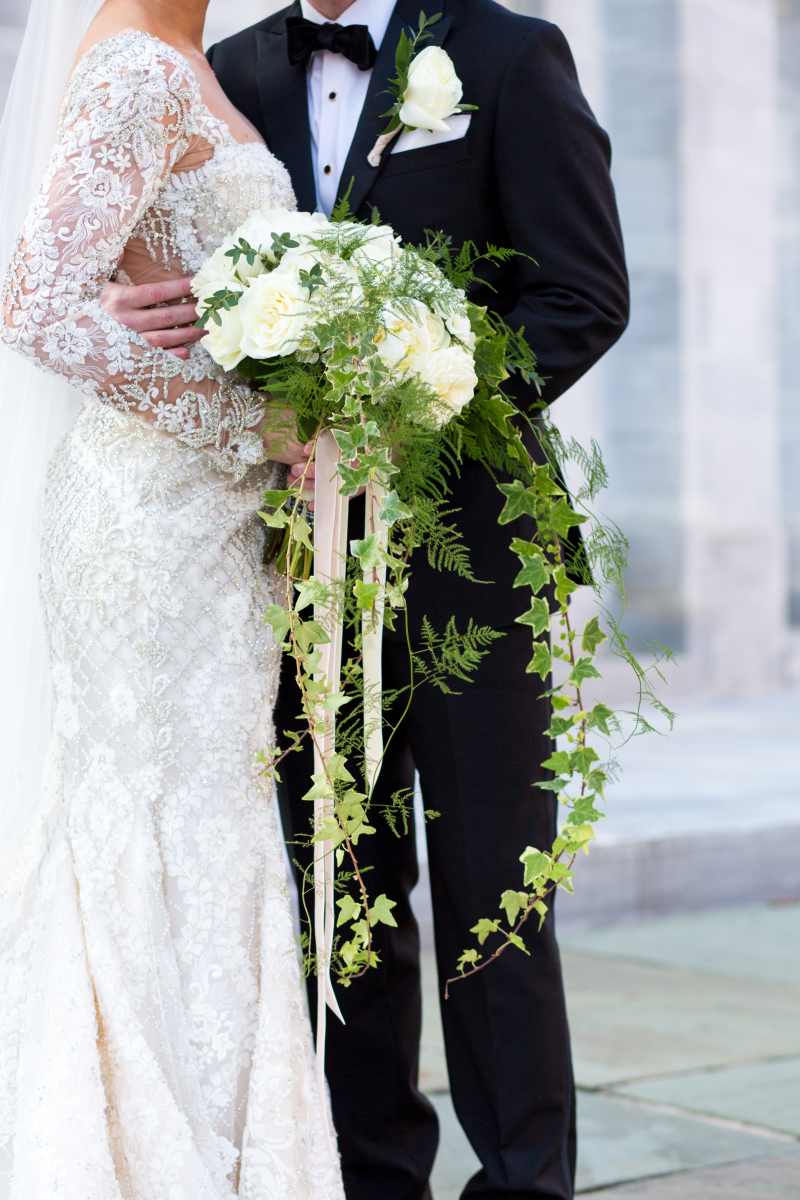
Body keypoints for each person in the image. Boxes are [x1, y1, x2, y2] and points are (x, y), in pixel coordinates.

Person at [111, 1, 630, 1197]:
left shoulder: (506, 53)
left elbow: (580, 294)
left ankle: (522, 1181)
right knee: (337, 884)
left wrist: (410, 409)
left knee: (496, 886)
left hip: (471, 558)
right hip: (288, 555)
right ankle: (370, 1174)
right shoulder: (227, 70)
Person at [0, 0, 346, 1194]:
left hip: (219, 529)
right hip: (142, 526)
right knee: (151, 820)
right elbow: (36, 304)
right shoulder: (137, 67)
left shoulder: (195, 59)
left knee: (216, 827)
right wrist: (258, 425)